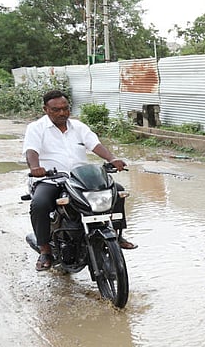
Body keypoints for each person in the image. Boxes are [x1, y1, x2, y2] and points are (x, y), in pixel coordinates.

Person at [23, 90, 136, 272]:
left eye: (65, 108)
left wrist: (112, 159)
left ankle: (116, 234)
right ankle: (45, 251)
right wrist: (35, 168)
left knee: (117, 191)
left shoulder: (78, 127)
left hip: (79, 178)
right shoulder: (36, 128)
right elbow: (31, 151)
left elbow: (95, 145)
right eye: (56, 109)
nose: (62, 113)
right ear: (46, 109)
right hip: (51, 179)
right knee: (40, 204)